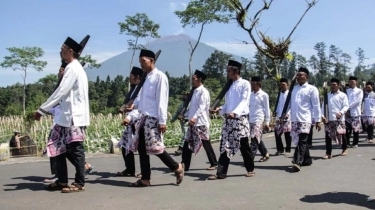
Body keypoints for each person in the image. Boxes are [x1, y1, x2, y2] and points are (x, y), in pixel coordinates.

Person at [34, 37, 90, 193]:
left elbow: (61, 91)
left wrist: (42, 109)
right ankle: (62, 180)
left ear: (70, 51)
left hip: (74, 116)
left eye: (62, 49)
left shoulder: (73, 68)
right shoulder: (72, 67)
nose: (60, 52)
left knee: (76, 149)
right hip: (65, 117)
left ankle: (79, 183)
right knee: (56, 145)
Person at [127, 49, 184, 187]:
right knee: (142, 148)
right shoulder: (146, 78)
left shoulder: (160, 77)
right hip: (143, 117)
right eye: (140, 62)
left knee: (155, 147)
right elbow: (145, 100)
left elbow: (161, 101)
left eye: (143, 61)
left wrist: (162, 121)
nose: (141, 64)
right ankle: (145, 178)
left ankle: (176, 167)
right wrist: (134, 106)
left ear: (152, 60)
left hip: (153, 118)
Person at [208, 60, 254, 180]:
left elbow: (244, 101)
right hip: (229, 120)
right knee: (225, 145)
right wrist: (220, 108)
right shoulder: (229, 85)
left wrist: (235, 112)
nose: (227, 73)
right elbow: (228, 104)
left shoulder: (245, 84)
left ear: (236, 71)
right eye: (227, 71)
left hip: (240, 119)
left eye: (229, 71)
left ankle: (250, 169)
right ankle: (221, 173)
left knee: (244, 145)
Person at [181, 70, 218, 171]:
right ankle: (185, 165)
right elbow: (193, 107)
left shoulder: (203, 92)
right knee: (187, 143)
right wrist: (186, 115)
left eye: (194, 78)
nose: (192, 81)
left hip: (200, 122)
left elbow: (202, 107)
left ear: (199, 80)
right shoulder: (194, 91)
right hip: (193, 122)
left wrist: (194, 117)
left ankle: (214, 163)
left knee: (206, 143)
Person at [288, 67, 321, 172]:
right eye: (297, 75)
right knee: (300, 141)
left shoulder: (312, 89)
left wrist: (318, 120)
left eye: (301, 75)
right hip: (295, 118)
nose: (298, 77)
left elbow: (316, 105)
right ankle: (307, 160)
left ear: (307, 77)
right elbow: (290, 104)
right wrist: (285, 114)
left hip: (306, 118)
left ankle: (297, 161)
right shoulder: (294, 89)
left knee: (302, 140)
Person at [116, 66, 143, 177]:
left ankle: (144, 172)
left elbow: (140, 107)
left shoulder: (141, 90)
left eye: (131, 76)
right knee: (125, 146)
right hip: (131, 121)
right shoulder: (133, 89)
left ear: (137, 77)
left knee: (142, 149)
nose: (129, 78)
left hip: (138, 121)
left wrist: (129, 116)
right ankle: (130, 169)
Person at [321, 78, 349, 159]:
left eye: (334, 85)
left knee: (342, 134)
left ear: (338, 85)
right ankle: (328, 153)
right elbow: (323, 107)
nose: (332, 86)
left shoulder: (343, 95)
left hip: (339, 119)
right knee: (328, 136)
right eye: (331, 85)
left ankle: (344, 149)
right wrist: (323, 116)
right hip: (329, 119)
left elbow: (346, 105)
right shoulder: (327, 95)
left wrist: (341, 112)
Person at [249, 76, 271, 162]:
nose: (252, 85)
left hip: (259, 119)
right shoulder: (250, 95)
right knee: (257, 138)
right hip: (251, 119)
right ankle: (265, 154)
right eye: (251, 84)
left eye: (254, 84)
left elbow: (267, 108)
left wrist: (267, 122)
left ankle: (249, 159)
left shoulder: (264, 95)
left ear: (259, 84)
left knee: (254, 139)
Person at [274, 78, 292, 155]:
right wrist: (275, 111)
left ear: (287, 85)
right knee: (277, 133)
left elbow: (292, 105)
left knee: (287, 134)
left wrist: (288, 114)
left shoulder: (290, 94)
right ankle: (280, 149)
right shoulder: (279, 94)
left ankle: (288, 149)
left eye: (283, 85)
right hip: (279, 116)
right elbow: (278, 104)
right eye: (280, 85)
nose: (282, 86)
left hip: (287, 116)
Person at [345, 76, 363, 148]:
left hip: (356, 112)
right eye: (350, 81)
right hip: (347, 113)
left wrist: (348, 107)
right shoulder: (346, 91)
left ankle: (355, 143)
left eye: (353, 81)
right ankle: (347, 143)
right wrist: (346, 110)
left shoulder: (359, 91)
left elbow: (358, 102)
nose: (351, 83)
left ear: (356, 82)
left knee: (356, 129)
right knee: (347, 129)